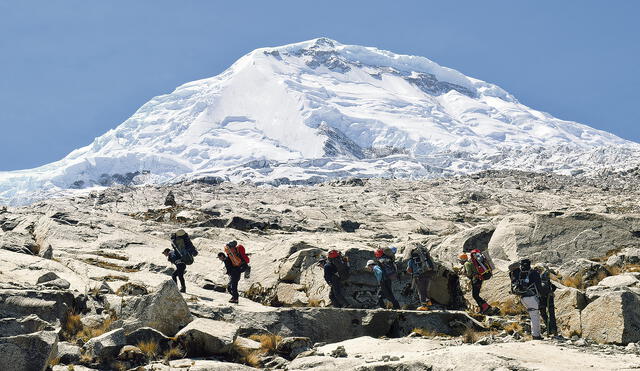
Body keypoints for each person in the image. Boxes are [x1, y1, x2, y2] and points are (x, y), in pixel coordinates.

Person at [510, 258, 544, 340]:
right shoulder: (533, 273)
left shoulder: (518, 273)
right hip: (531, 297)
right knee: (535, 315)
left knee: (532, 314)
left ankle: (535, 334)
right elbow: (539, 287)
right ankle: (536, 335)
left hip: (522, 297)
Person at [535, 264, 558, 337]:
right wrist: (551, 292)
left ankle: (549, 330)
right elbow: (554, 287)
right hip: (549, 298)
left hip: (541, 299)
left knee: (544, 314)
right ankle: (554, 331)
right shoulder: (547, 279)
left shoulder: (537, 279)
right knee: (551, 314)